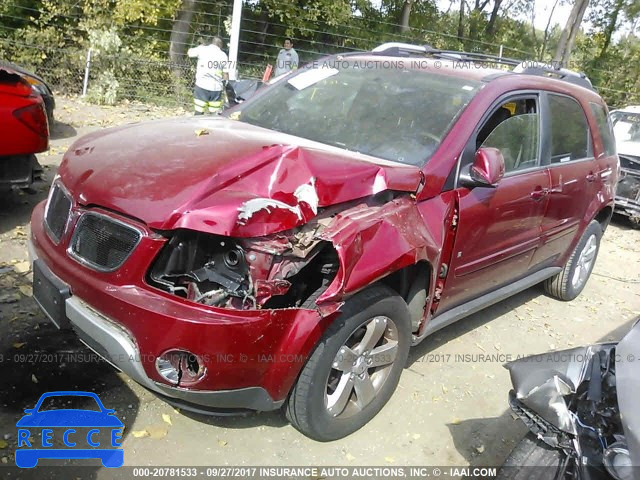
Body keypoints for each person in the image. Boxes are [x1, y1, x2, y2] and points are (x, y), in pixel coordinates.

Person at [187, 36, 229, 115]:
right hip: (216, 89)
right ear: (220, 45)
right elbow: (225, 74)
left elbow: (189, 53)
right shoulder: (223, 56)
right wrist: (226, 89)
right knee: (213, 115)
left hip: (201, 86)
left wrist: (200, 46)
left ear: (212, 42)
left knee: (199, 112)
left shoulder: (202, 49)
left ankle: (198, 126)